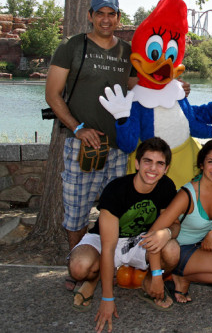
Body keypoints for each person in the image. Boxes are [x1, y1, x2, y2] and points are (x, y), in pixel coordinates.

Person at [45, 0, 138, 291]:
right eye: (100, 13)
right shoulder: (73, 46)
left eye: (112, 13)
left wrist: (176, 87)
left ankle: (108, 267)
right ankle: (78, 266)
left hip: (118, 149)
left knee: (114, 211)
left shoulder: (127, 52)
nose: (106, 19)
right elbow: (52, 94)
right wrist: (78, 128)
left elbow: (143, 91)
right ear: (91, 15)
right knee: (77, 212)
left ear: (118, 18)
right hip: (81, 146)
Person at [67, 137, 180, 332]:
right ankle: (93, 280)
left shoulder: (167, 187)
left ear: (166, 168)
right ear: (137, 163)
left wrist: (166, 233)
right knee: (79, 267)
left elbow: (176, 225)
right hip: (106, 240)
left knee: (172, 249)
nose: (153, 169)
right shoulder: (116, 190)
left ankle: (148, 283)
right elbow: (109, 247)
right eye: (147, 161)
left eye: (159, 163)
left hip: (139, 242)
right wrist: (108, 298)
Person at [142, 139, 212, 305]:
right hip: (178, 250)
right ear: (201, 164)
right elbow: (153, 232)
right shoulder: (187, 195)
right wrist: (156, 276)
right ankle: (178, 274)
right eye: (210, 162)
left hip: (202, 244)